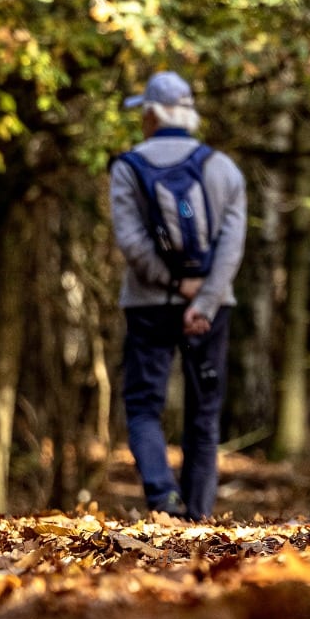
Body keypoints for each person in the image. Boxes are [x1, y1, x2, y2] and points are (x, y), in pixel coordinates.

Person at [110, 71, 246, 519]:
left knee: (144, 404)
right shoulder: (223, 168)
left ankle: (163, 497)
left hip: (148, 304)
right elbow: (231, 245)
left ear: (151, 114)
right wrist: (204, 300)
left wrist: (171, 285)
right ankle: (200, 514)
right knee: (203, 410)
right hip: (211, 309)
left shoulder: (128, 168)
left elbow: (131, 242)